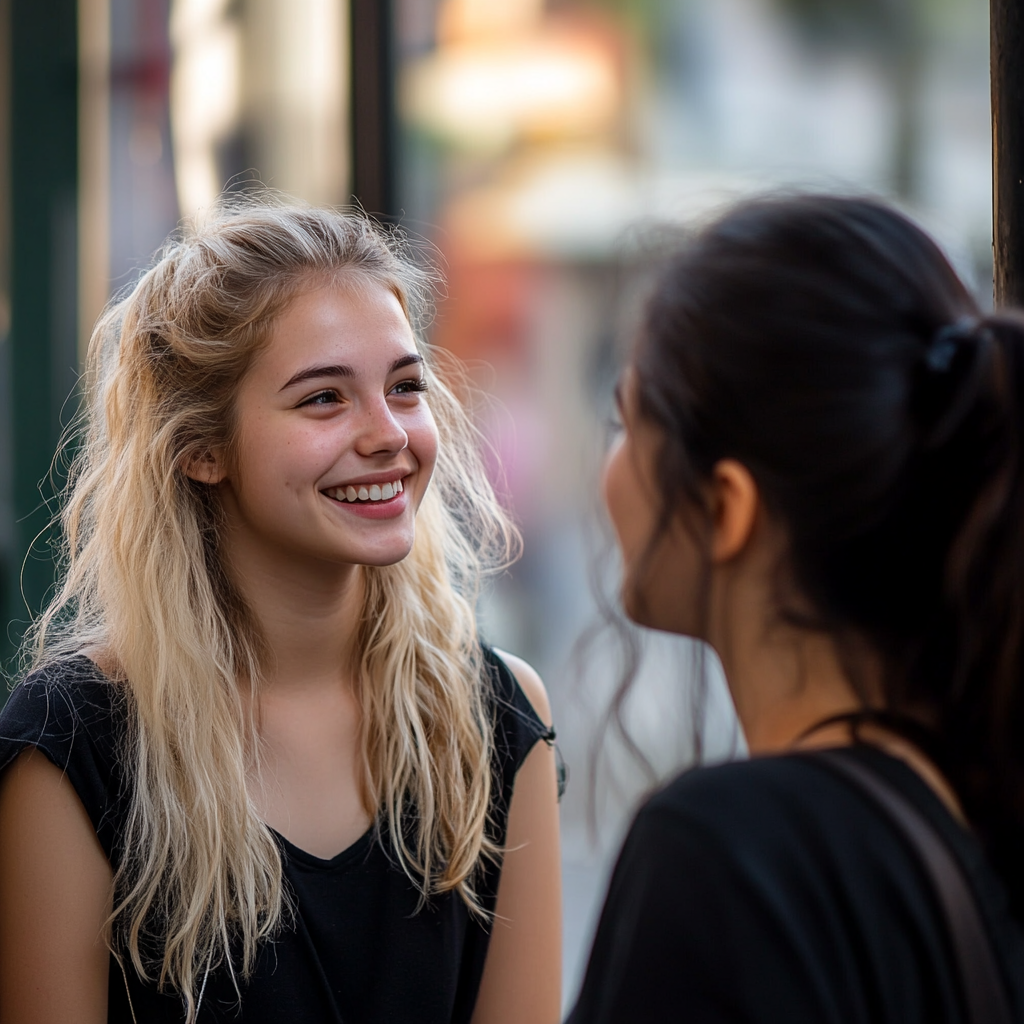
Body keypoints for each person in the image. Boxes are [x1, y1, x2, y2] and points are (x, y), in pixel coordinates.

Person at [0, 200, 562, 1024]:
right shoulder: (73, 744)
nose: (388, 434)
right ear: (200, 448)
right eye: (324, 399)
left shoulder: (497, 718)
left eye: (405, 387)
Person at [569, 194, 1024, 1023]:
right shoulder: (980, 813)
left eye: (625, 421)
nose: (611, 467)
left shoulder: (728, 852)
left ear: (726, 507)